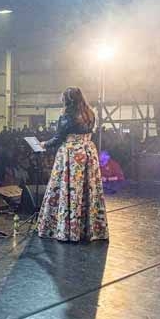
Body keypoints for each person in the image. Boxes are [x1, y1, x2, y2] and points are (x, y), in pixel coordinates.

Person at [37, 87, 108, 242]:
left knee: (69, 189)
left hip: (72, 155)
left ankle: (68, 230)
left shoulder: (67, 116)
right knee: (87, 190)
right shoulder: (90, 113)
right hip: (88, 152)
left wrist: (44, 144)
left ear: (67, 100)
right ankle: (88, 230)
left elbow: (58, 138)